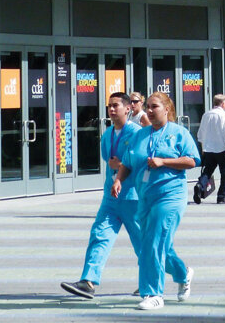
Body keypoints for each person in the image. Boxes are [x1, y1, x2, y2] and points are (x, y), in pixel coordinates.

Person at [113, 92, 200, 310]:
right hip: (145, 197)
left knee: (153, 242)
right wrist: (118, 180)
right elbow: (127, 162)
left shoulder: (179, 133)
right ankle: (182, 273)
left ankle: (153, 293)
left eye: (155, 107)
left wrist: (164, 161)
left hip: (170, 196)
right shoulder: (140, 135)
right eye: (148, 107)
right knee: (156, 244)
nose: (149, 111)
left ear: (167, 109)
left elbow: (192, 160)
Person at [60, 92, 142, 299]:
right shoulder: (107, 135)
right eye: (109, 106)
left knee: (143, 241)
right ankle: (88, 281)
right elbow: (108, 160)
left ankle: (164, 276)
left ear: (128, 109)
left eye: (116, 105)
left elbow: (139, 163)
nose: (112, 109)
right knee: (100, 235)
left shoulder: (136, 133)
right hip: (111, 198)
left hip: (132, 197)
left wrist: (121, 166)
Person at [195, 93, 225, 205]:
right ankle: (221, 196)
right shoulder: (224, 115)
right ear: (222, 103)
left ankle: (200, 185)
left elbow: (200, 134)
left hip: (208, 149)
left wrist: (203, 149)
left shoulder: (206, 115)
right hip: (222, 148)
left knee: (208, 171)